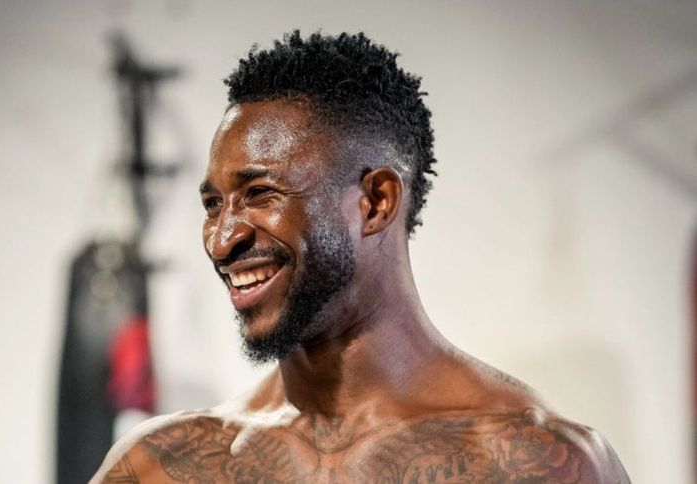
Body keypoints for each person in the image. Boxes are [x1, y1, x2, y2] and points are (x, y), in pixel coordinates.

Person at [91, 31, 631, 483]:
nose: (221, 240)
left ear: (375, 201)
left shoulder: (532, 463)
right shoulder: (161, 467)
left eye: (260, 194)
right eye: (213, 204)